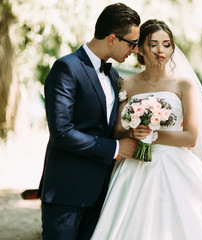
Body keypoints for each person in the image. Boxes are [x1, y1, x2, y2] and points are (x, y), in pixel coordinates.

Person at [91, 19, 202, 239]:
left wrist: (153, 135)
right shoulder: (125, 84)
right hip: (134, 166)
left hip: (177, 166)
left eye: (167, 44)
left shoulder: (183, 85)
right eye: (153, 44)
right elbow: (117, 130)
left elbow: (190, 137)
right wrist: (131, 133)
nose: (161, 50)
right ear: (140, 48)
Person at [37, 3, 141, 239]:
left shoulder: (113, 74)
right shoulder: (66, 68)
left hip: (102, 192)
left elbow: (105, 127)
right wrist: (116, 148)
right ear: (112, 39)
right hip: (67, 192)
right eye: (132, 43)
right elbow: (62, 133)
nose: (134, 50)